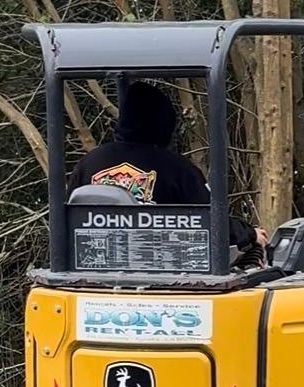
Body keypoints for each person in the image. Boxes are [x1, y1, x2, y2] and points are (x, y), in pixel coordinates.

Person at [70, 81, 267, 268]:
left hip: (91, 271)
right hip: (160, 278)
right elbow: (212, 222)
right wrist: (249, 234)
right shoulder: (177, 170)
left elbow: (65, 219)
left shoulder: (88, 164)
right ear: (164, 121)